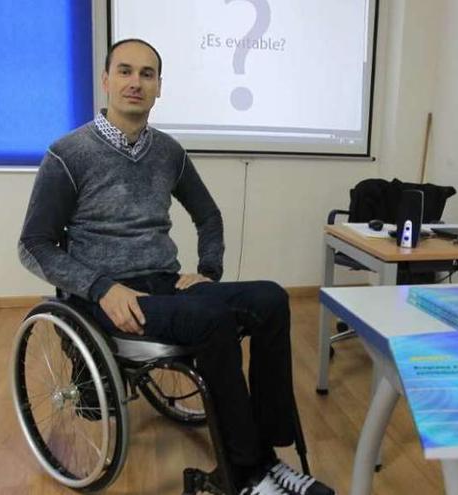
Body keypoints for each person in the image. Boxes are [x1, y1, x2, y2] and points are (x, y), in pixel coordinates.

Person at [18, 38, 335, 495]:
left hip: (165, 284)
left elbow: (208, 215)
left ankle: (269, 456)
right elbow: (33, 244)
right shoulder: (68, 154)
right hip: (107, 297)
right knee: (210, 322)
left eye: (147, 74)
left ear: (159, 87)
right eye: (125, 71)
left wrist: (208, 270)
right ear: (106, 80)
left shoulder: (168, 151)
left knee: (270, 298)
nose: (135, 82)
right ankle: (247, 473)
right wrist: (101, 286)